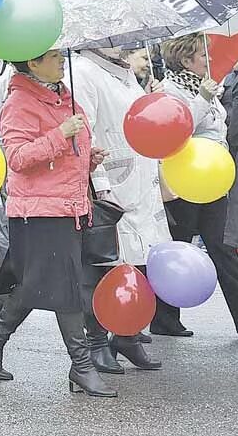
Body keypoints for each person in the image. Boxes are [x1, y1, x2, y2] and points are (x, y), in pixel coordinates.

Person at [0, 48, 116, 398]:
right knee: (66, 286)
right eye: (54, 57)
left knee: (37, 284)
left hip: (69, 207)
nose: (61, 63)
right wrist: (61, 135)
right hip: (39, 211)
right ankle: (81, 365)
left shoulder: (65, 97)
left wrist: (87, 160)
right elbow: (17, 158)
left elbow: (63, 157)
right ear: (32, 62)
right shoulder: (19, 102)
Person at [70, 48, 168, 371]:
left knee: (137, 261)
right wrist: (100, 186)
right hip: (110, 183)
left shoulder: (125, 72)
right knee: (103, 265)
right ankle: (96, 340)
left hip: (141, 182)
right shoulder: (84, 70)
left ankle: (127, 334)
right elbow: (87, 132)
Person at [155, 34, 238, 338]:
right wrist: (204, 99)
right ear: (185, 59)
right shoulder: (170, 90)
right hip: (185, 179)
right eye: (202, 55)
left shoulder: (205, 85)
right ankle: (164, 318)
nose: (208, 60)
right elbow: (178, 130)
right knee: (178, 245)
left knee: (223, 248)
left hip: (211, 178)